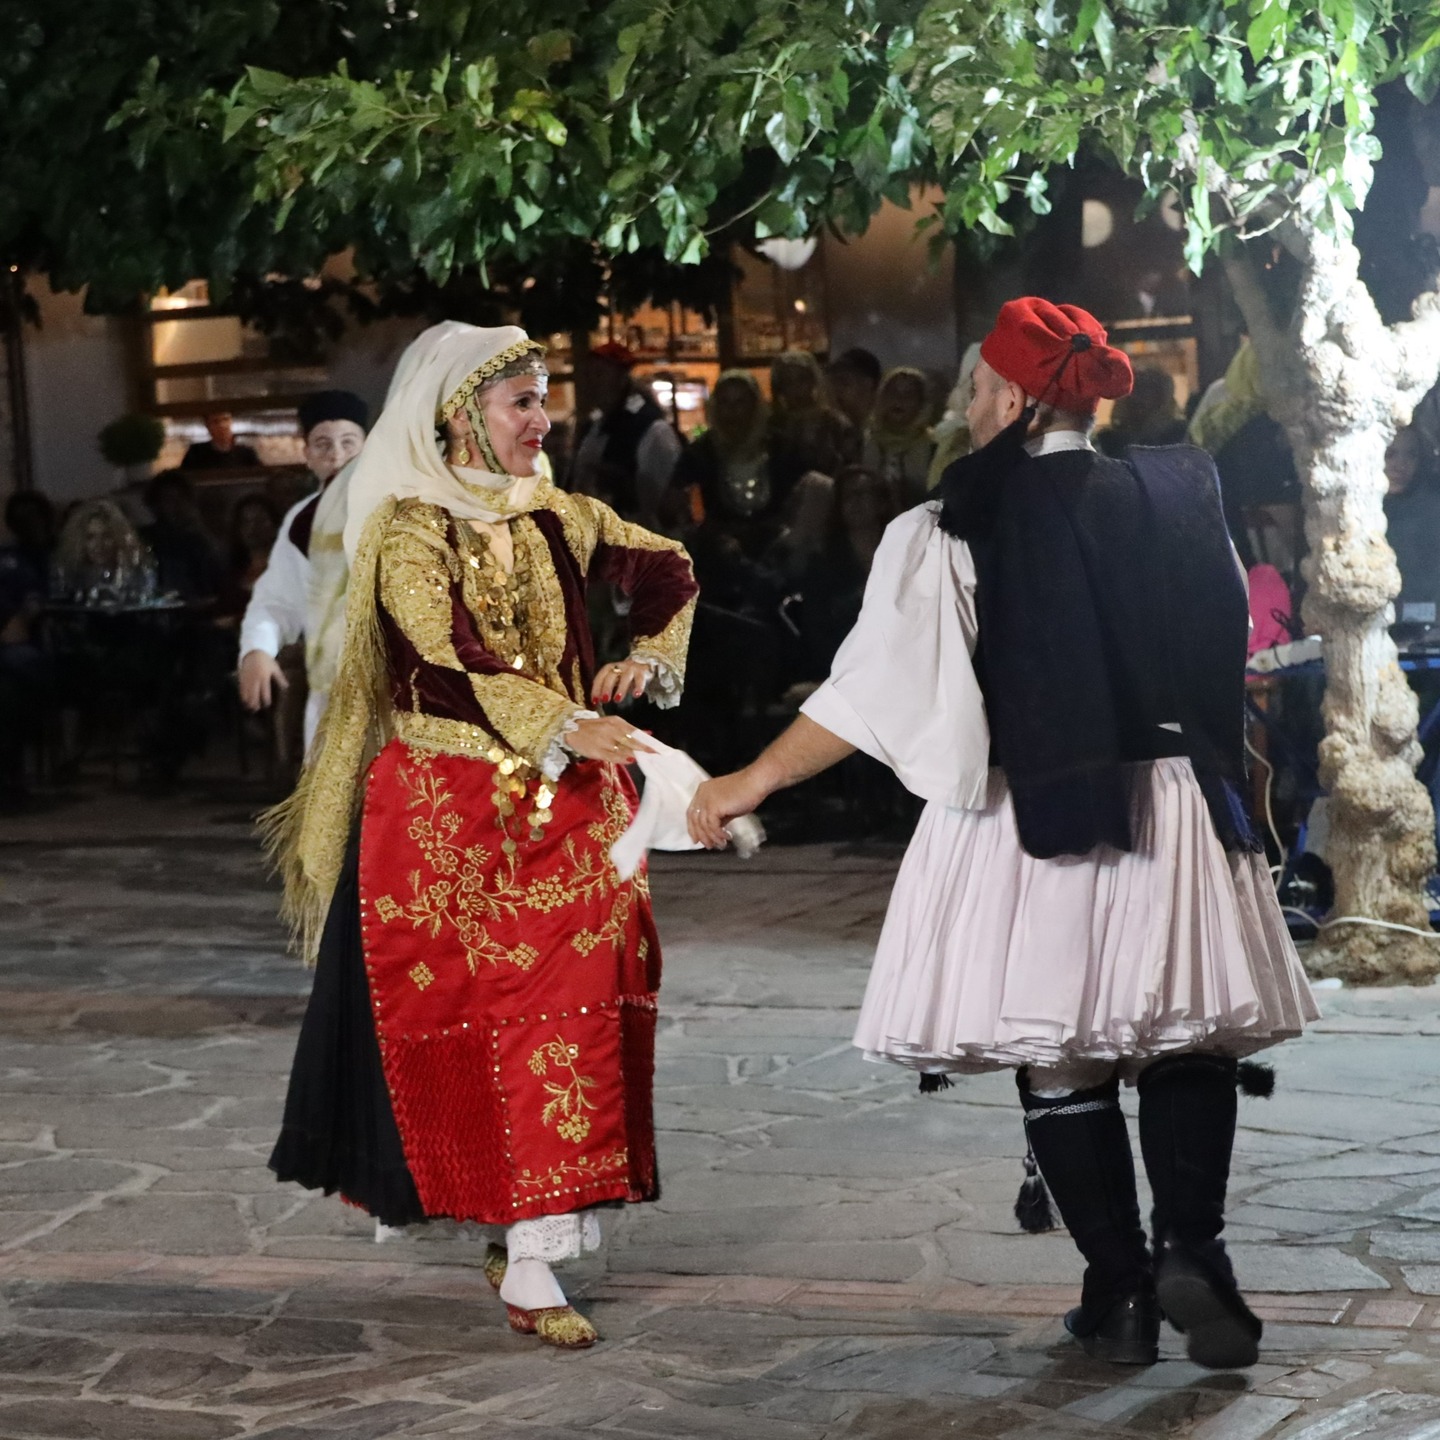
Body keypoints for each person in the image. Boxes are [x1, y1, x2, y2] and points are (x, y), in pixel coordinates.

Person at [688, 297, 1316, 1372]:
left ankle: (1119, 1290)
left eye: (976, 387)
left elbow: (870, 693)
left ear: (1020, 401)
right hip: (1176, 799)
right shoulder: (1179, 494)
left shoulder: (950, 526)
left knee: (1062, 1056)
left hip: (1042, 805)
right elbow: (1227, 647)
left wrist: (750, 779)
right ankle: (1193, 1251)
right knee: (1185, 1038)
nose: (964, 405)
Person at [265, 322, 697, 1350]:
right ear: (461, 415)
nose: (540, 421)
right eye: (521, 404)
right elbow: (445, 655)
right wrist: (559, 720)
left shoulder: (556, 510)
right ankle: (517, 1232)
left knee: (575, 1014)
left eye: (544, 400)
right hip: (447, 819)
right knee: (483, 1028)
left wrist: (643, 658)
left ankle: (539, 1242)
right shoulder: (412, 529)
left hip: (571, 815)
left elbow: (668, 565)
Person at [237, 390, 370, 749]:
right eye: (323, 444)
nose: (337, 456)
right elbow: (276, 600)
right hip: (334, 694)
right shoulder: (302, 522)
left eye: (348, 442)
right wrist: (257, 650)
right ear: (307, 455)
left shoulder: (402, 508)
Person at [569, 342, 683, 527]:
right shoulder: (593, 426)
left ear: (621, 378)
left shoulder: (651, 429)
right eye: (588, 375)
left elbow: (663, 500)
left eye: (600, 374)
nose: (592, 383)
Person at [671, 370, 777, 553]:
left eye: (740, 402)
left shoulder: (779, 447)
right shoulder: (702, 450)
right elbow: (672, 499)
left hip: (774, 551)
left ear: (754, 405)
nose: (732, 411)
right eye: (725, 403)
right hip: (720, 552)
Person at [767, 351, 858, 498]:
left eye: (801, 379)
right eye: (788, 381)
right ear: (779, 387)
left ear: (813, 380)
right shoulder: (772, 426)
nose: (796, 387)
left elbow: (851, 470)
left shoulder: (836, 424)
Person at [139, 471, 223, 605]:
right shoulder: (145, 538)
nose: (176, 506)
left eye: (181, 499)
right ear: (156, 505)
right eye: (169, 500)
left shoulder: (200, 538)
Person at [1384, 424, 1440, 627]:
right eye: (1390, 454)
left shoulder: (1433, 505)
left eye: (1411, 455)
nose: (1401, 465)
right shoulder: (1351, 509)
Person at [863, 366, 936, 511]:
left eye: (909, 394)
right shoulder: (863, 441)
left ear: (921, 403)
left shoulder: (935, 446)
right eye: (892, 393)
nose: (899, 399)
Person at [1095, 367, 1188, 456]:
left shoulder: (1180, 437)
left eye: (1150, 391)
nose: (1141, 400)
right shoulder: (1107, 442)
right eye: (1138, 390)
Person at [180, 411, 261, 471]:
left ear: (231, 422)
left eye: (226, 419)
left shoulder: (246, 454)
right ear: (207, 426)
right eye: (216, 421)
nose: (222, 425)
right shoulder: (196, 453)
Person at [827, 347, 883, 432]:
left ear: (867, 385)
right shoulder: (824, 434)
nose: (836, 389)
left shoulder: (882, 437)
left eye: (844, 382)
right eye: (833, 382)